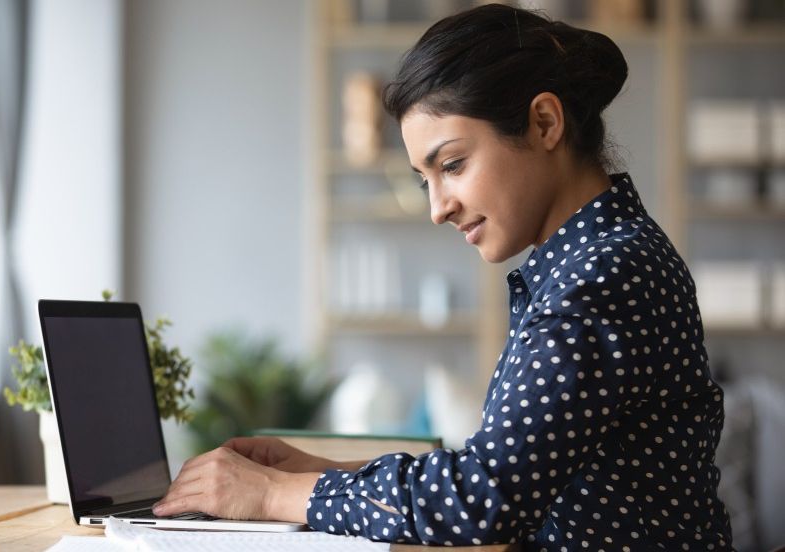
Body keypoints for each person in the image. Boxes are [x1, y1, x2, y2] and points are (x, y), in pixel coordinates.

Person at [152, 4, 734, 549]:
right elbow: (501, 468)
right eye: (424, 179)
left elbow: (484, 499)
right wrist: (320, 473)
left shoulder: (603, 275)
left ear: (544, 122)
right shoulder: (589, 260)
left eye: (452, 165)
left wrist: (272, 494)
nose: (438, 207)